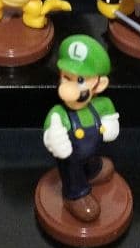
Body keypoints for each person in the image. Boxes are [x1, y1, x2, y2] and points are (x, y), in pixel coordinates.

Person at [42, 35, 120, 222]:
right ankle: (75, 195)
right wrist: (56, 138)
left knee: (92, 162)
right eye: (66, 77)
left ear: (99, 84)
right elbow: (51, 131)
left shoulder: (100, 104)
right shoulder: (59, 113)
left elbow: (110, 116)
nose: (69, 87)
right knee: (71, 170)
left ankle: (93, 172)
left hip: (90, 153)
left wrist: (110, 126)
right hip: (71, 158)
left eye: (80, 80)